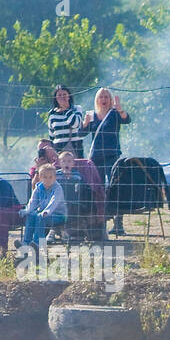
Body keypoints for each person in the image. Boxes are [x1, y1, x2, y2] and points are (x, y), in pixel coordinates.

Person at [82, 87, 131, 233]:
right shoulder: (92, 115)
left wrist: (120, 109)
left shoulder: (114, 114)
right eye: (101, 97)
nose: (103, 100)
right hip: (96, 158)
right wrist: (84, 123)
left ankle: (118, 223)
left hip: (112, 156)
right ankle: (100, 221)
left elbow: (127, 119)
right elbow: (82, 133)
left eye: (106, 97)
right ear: (97, 100)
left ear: (110, 100)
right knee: (97, 189)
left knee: (114, 188)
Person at [19, 163, 66, 251]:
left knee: (40, 216)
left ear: (55, 178)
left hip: (57, 215)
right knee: (31, 215)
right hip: (43, 213)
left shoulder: (57, 188)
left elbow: (54, 201)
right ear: (40, 178)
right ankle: (26, 242)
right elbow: (33, 201)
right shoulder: (38, 187)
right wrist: (27, 211)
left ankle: (37, 243)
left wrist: (47, 211)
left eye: (50, 177)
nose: (47, 180)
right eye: (45, 177)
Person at [47, 85, 86, 157]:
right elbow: (51, 135)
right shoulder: (52, 113)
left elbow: (75, 124)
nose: (62, 97)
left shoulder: (77, 109)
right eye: (59, 95)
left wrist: (66, 109)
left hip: (76, 150)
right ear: (55, 98)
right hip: (59, 152)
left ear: (69, 96)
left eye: (64, 94)